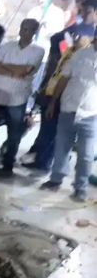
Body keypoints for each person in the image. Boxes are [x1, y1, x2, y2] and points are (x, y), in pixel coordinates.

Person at [26, 24, 95, 173]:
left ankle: (45, 164)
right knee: (46, 131)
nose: (75, 38)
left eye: (80, 36)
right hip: (52, 93)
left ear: (90, 39)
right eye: (74, 35)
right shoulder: (70, 51)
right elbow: (57, 71)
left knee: (55, 135)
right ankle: (40, 161)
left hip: (65, 99)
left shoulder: (84, 57)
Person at [0, 19, 45, 177]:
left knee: (14, 133)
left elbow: (24, 71)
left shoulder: (38, 50)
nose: (24, 32)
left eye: (28, 30)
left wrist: (5, 67)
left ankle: (7, 164)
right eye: (22, 28)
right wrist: (14, 71)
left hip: (17, 98)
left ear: (35, 32)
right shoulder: (7, 46)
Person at [40, 33, 97, 202]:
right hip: (68, 108)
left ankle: (80, 188)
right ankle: (55, 180)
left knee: (86, 154)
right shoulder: (80, 54)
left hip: (91, 113)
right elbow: (64, 78)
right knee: (61, 147)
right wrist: (53, 103)